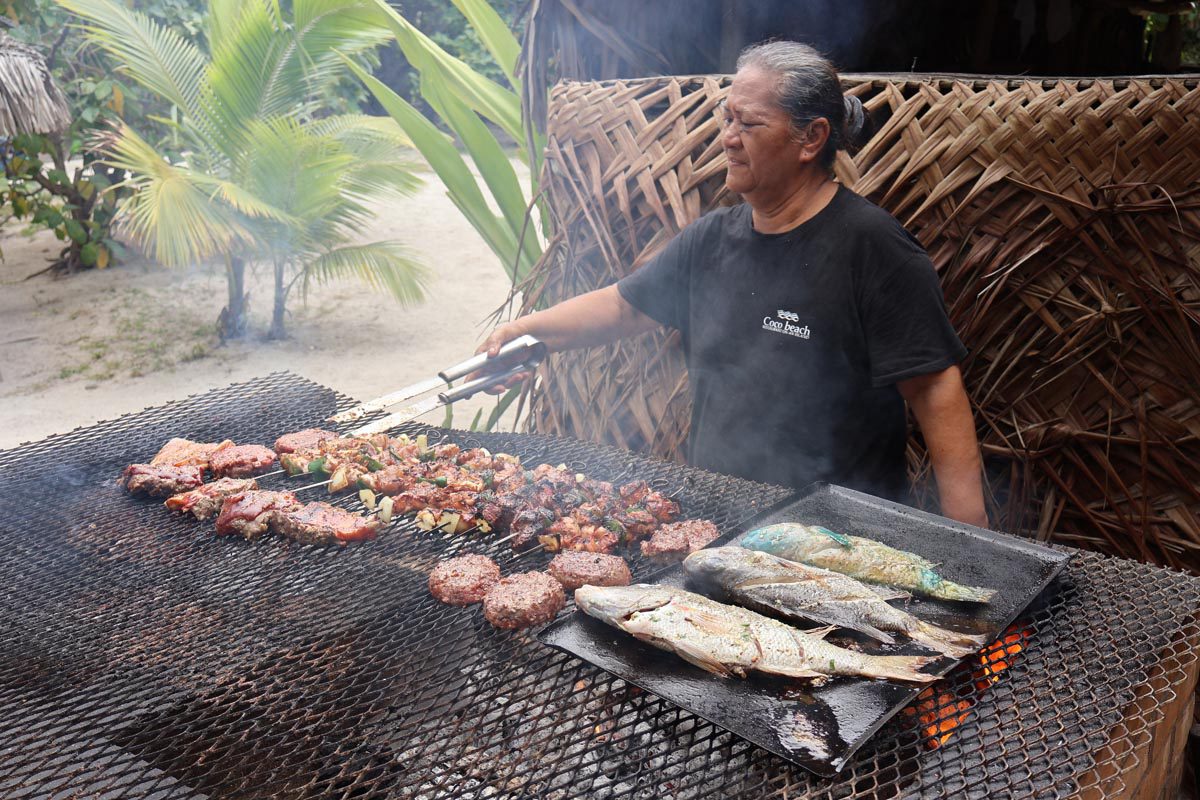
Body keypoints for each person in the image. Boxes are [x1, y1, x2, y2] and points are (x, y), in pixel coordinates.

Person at [480, 41, 988, 528]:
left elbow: (934, 388)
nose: (727, 136)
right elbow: (624, 307)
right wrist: (526, 335)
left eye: (749, 123)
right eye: (727, 117)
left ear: (810, 139)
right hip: (720, 520)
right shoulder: (711, 239)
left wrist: (972, 537)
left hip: (839, 534)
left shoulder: (872, 247)